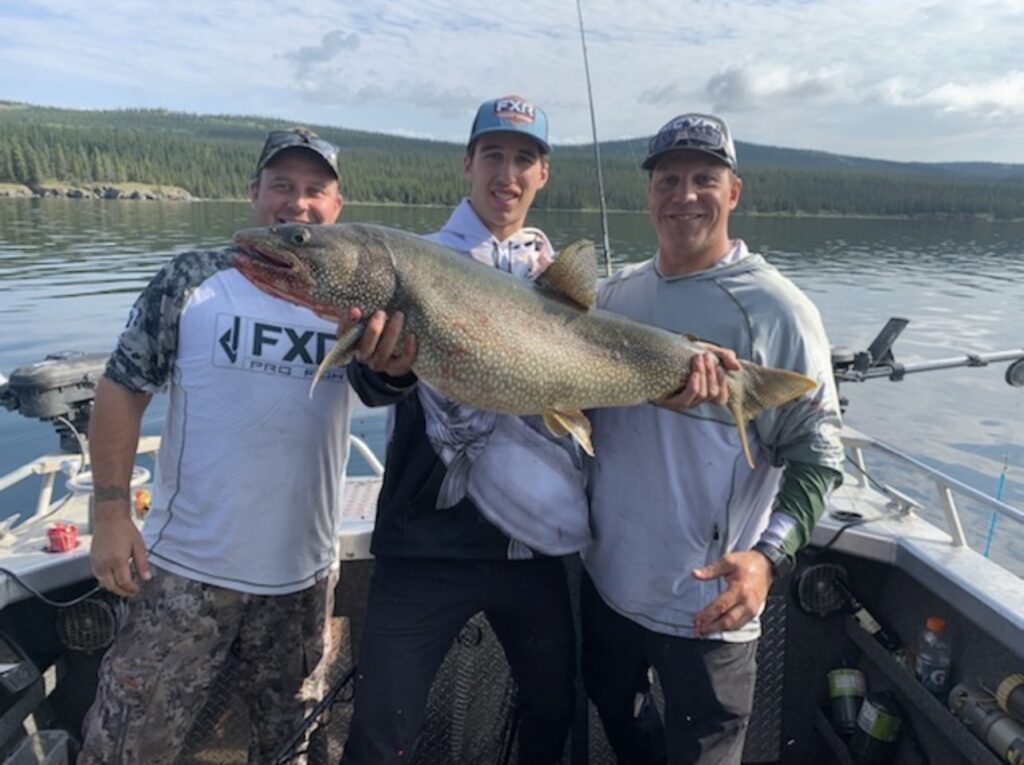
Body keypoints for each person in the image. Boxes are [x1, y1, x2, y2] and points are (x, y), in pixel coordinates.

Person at [80, 128, 353, 765]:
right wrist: (111, 513)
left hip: (302, 581)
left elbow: (396, 387)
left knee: (290, 746)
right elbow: (122, 389)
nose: (298, 203)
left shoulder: (354, 303)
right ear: (255, 193)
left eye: (316, 190)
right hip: (183, 574)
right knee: (126, 747)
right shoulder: (194, 277)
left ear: (337, 208)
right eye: (282, 186)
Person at [580, 113, 845, 765]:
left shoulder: (779, 311)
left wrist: (766, 557)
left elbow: (820, 457)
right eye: (668, 179)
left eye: (705, 178)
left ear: (734, 192)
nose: (684, 194)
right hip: (606, 591)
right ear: (649, 194)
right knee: (621, 732)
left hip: (707, 609)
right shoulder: (615, 297)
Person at [337, 95, 581, 765]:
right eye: (494, 156)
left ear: (542, 176)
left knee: (554, 707)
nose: (508, 174)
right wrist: (388, 372)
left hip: (534, 549)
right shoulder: (406, 263)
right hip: (425, 546)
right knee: (382, 730)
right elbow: (368, 382)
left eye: (524, 160)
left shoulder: (560, 284)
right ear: (467, 164)